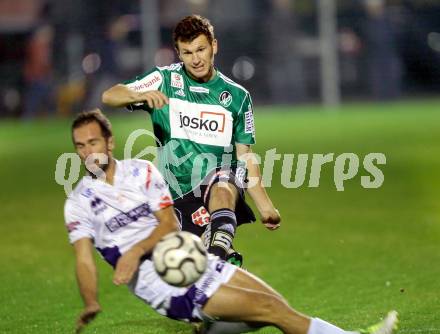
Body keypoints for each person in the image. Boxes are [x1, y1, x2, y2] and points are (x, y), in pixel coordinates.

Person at [65, 109, 398, 334]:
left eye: (93, 142)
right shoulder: (79, 201)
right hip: (168, 283)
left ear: (109, 142)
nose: (86, 152)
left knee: (275, 305)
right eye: (79, 146)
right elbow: (83, 259)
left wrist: (134, 252)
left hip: (194, 259)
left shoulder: (142, 172)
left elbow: (167, 225)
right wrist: (91, 300)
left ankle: (210, 329)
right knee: (272, 310)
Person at [102, 15, 281, 266]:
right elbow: (110, 95)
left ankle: (218, 250)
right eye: (187, 52)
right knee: (194, 280)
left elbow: (245, 156)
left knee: (222, 184)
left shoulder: (238, 97)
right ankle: (217, 256)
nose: (195, 59)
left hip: (220, 182)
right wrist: (139, 94)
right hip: (178, 192)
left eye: (201, 49)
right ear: (178, 52)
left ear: (214, 46)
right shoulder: (164, 80)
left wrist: (264, 206)